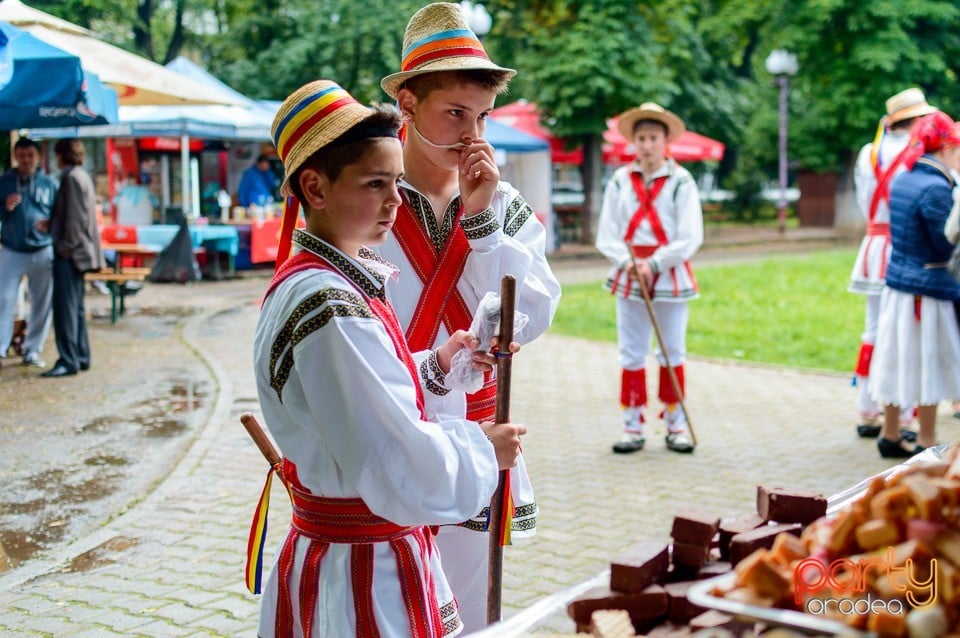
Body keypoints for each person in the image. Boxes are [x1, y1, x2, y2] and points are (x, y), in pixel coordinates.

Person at [253, 79, 525, 637]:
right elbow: (389, 453)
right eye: (375, 184)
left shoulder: (321, 282)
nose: (394, 202)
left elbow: (356, 406)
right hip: (362, 575)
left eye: (397, 182)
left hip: (344, 556)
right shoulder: (330, 306)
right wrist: (481, 449)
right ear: (316, 188)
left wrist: (439, 363)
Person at [377, 3, 562, 629]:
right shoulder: (366, 195)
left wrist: (482, 224)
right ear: (406, 103)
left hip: (475, 428)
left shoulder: (502, 201)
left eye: (482, 116)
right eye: (454, 113)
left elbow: (531, 312)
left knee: (471, 602)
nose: (471, 134)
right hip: (389, 422)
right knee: (391, 597)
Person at [595, 102, 703, 455]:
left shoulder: (681, 181)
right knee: (631, 350)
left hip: (668, 272)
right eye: (641, 138)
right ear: (634, 142)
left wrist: (655, 263)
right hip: (629, 270)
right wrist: (627, 260)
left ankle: (675, 425)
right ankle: (632, 424)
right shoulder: (620, 181)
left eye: (653, 137)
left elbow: (690, 235)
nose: (646, 145)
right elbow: (607, 232)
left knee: (671, 349)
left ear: (665, 140)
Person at [869, 111, 960, 457]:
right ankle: (926, 441)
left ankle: (891, 433)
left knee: (896, 358)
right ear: (945, 147)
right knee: (929, 361)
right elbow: (945, 244)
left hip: (901, 284)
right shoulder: (937, 187)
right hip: (928, 288)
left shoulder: (906, 178)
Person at [848, 88, 937, 440]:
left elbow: (861, 200)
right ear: (914, 121)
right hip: (904, 248)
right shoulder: (917, 153)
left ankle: (868, 408)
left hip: (872, 247)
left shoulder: (867, 152)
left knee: (872, 330)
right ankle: (901, 414)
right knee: (903, 332)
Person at [43, 139, 104, 378]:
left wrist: (63, 248)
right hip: (78, 252)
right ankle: (80, 355)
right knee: (75, 307)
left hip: (71, 254)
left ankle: (69, 359)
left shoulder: (71, 179)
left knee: (65, 309)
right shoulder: (82, 176)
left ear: (60, 155)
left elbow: (75, 221)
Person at [0, 137, 58, 368]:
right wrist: (5, 208)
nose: (26, 160)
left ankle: (33, 348)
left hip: (43, 249)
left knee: (42, 302)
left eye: (30, 156)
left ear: (37, 156)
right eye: (21, 156)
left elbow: (61, 213)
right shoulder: (5, 181)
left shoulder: (49, 183)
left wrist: (50, 224)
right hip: (12, 249)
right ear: (16, 156)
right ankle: (2, 346)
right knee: (4, 299)